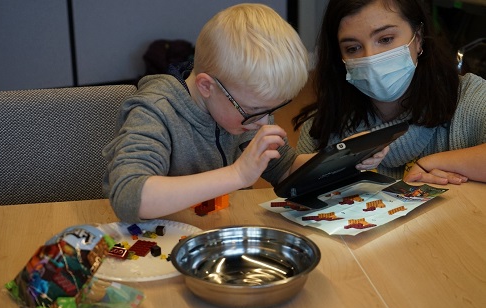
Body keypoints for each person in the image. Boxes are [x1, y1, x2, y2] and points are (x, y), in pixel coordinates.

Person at [102, 3, 385, 222]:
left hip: (214, 231)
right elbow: (130, 197)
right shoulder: (155, 111)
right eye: (253, 112)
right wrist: (237, 175)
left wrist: (346, 158)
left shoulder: (242, 112)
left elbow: (284, 169)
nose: (263, 122)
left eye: (271, 110)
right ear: (206, 86)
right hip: (155, 243)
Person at [293, 0, 486, 186]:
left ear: (418, 38)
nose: (370, 58)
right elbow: (293, 197)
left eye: (385, 39)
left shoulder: (468, 96)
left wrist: (432, 163)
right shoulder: (323, 126)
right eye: (353, 48)